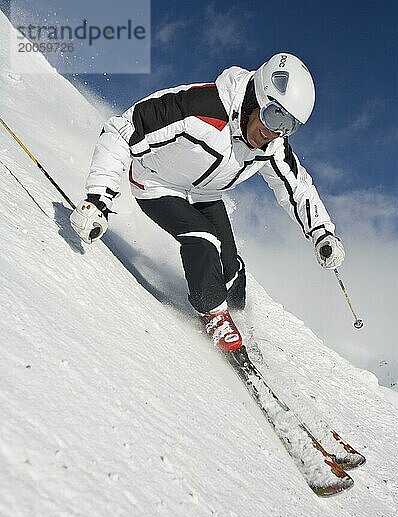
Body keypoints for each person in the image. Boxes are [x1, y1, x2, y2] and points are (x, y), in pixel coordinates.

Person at [70, 52, 345, 352]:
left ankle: (235, 310)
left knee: (231, 268)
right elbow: (122, 131)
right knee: (204, 240)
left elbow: (296, 186)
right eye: (274, 116)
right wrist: (98, 198)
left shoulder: (271, 144)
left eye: (289, 126)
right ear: (256, 98)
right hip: (156, 183)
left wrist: (321, 232)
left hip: (204, 193)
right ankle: (212, 311)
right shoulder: (199, 108)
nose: (274, 132)